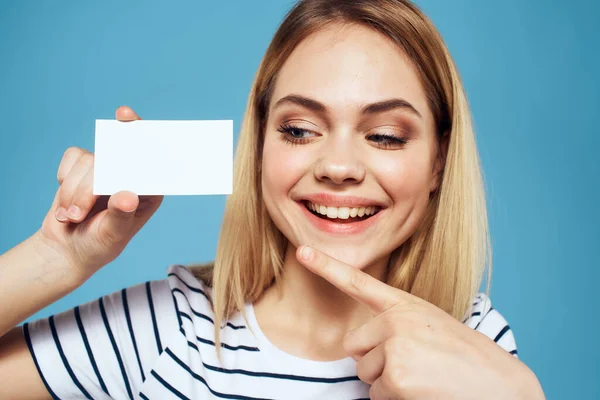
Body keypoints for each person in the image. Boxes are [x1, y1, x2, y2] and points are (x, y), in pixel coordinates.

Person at [0, 0, 546, 398]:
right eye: (300, 129)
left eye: (385, 135)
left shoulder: (473, 343)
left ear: (438, 164)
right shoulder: (172, 327)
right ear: (259, 146)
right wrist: (58, 257)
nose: (337, 167)